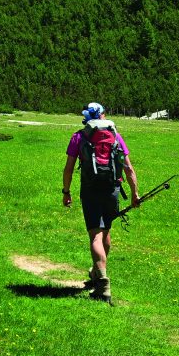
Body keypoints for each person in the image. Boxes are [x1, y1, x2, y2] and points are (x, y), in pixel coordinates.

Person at [62, 102, 139, 303]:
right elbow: (128, 168)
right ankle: (97, 271)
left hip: (90, 189)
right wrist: (134, 193)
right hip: (113, 189)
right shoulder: (115, 135)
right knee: (106, 232)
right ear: (103, 115)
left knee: (95, 234)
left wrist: (66, 191)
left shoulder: (79, 136)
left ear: (87, 117)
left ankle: (103, 284)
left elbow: (68, 168)